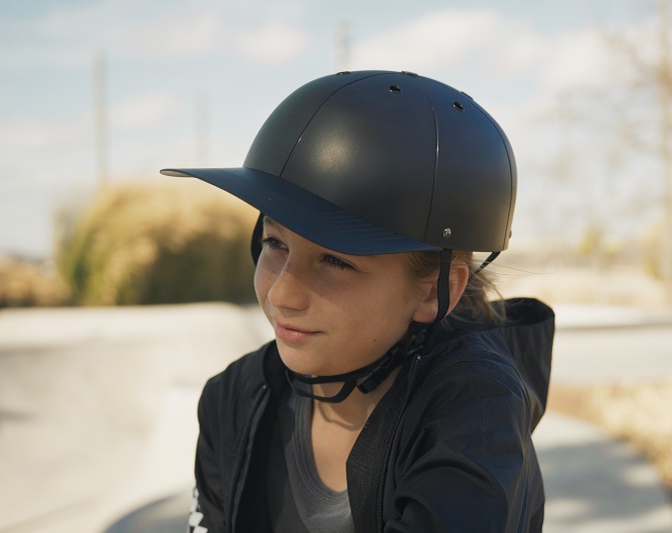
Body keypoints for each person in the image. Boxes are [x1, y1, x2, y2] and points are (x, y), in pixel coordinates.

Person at [162, 70, 554, 532]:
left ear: (434, 291)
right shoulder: (233, 399)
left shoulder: (477, 419)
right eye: (275, 243)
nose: (282, 293)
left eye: (334, 260)